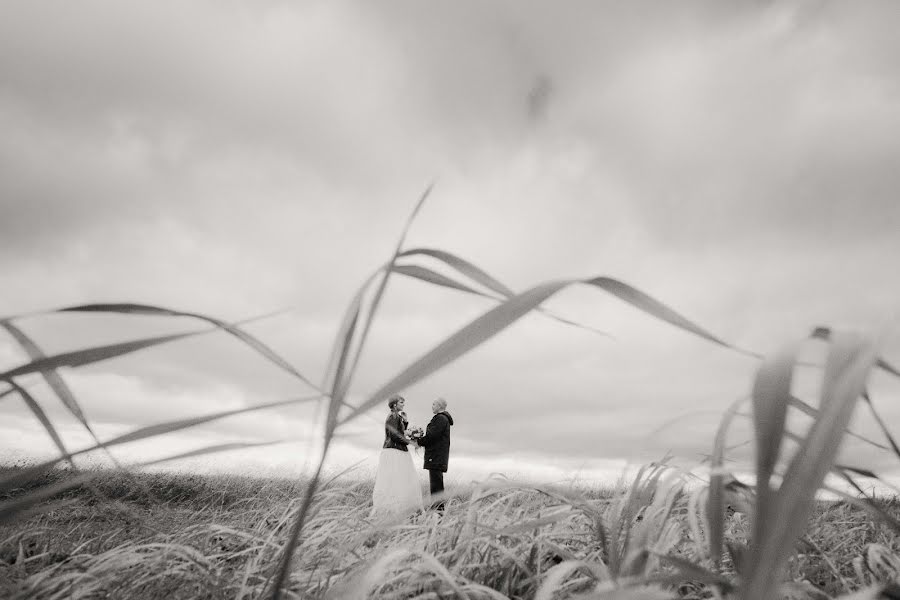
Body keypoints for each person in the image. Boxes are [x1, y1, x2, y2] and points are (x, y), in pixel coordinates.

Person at [371, 395, 424, 518]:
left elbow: (400, 432)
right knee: (396, 479)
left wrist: (405, 422)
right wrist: (410, 442)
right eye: (401, 402)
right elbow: (395, 435)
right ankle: (393, 509)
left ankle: (402, 508)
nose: (403, 404)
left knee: (401, 478)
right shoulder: (393, 416)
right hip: (394, 451)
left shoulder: (397, 417)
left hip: (398, 450)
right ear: (394, 405)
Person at [416, 397, 454, 512]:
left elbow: (432, 436)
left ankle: (438, 511)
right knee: (437, 484)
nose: (432, 406)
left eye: (433, 404)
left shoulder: (441, 419)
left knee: (436, 486)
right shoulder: (442, 418)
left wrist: (418, 441)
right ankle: (438, 510)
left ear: (440, 406)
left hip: (436, 456)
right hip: (437, 456)